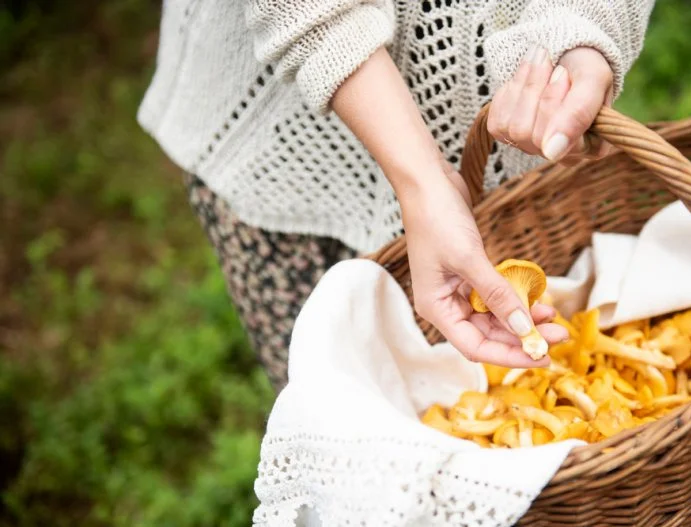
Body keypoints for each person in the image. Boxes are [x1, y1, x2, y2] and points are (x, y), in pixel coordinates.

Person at [139, 0, 655, 392]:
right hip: (288, 157)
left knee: (518, 399)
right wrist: (421, 183)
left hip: (515, 176)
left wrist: (579, 44)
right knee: (341, 418)